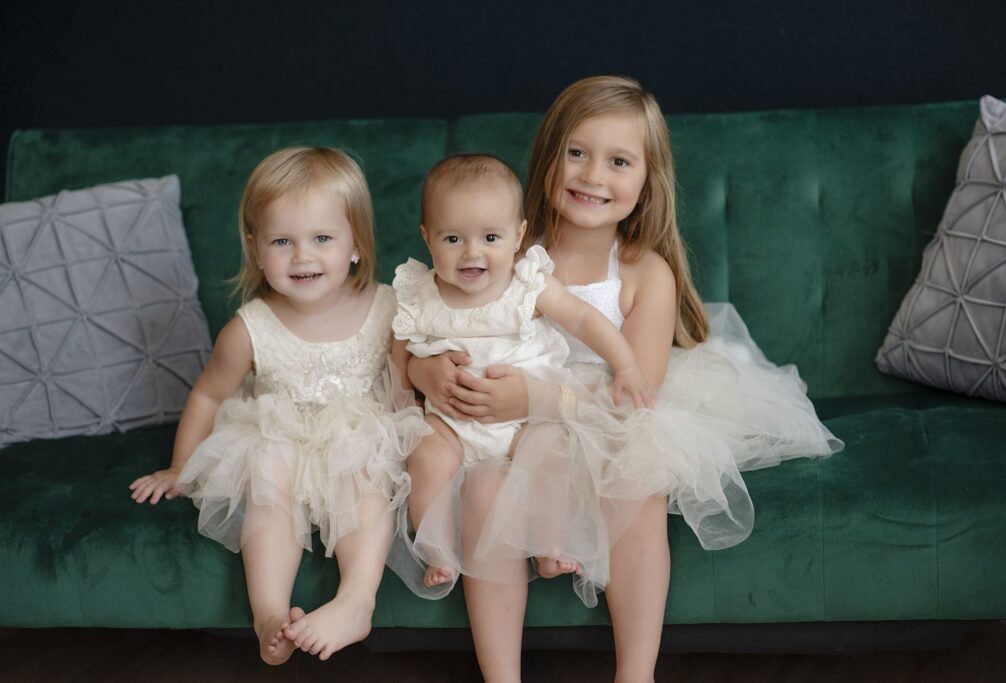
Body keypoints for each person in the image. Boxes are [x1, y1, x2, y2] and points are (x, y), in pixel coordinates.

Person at [407, 77, 843, 682]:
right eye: (577, 153)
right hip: (495, 425)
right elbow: (432, 318)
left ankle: (635, 674)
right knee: (483, 487)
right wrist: (424, 370)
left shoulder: (643, 272)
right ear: (549, 156)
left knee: (639, 480)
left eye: (618, 161)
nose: (592, 175)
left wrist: (532, 398)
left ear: (646, 181)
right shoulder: (501, 245)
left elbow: (636, 391)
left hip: (599, 414)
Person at [128, 147, 429, 665]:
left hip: (358, 435)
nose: (302, 257)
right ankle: (268, 613)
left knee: (363, 473)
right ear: (256, 248)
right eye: (282, 241)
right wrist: (182, 465)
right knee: (269, 485)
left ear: (356, 243)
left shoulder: (390, 308)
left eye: (322, 239)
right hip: (279, 438)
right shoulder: (250, 326)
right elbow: (209, 393)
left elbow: (408, 388)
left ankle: (357, 600)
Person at [388, 153, 653, 598]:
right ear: (427, 238)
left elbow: (585, 320)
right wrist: (404, 398)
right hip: (449, 423)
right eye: (453, 238)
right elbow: (400, 350)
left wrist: (626, 365)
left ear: (518, 236)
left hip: (525, 419)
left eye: (490, 237)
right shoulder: (420, 292)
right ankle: (438, 550)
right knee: (425, 459)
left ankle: (551, 544)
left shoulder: (527, 283)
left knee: (551, 454)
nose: (473, 252)